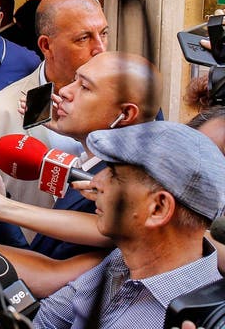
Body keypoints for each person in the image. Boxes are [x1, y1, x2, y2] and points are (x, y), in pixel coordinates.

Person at [0, 51, 162, 260]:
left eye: (85, 87)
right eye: (74, 80)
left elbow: (50, 274)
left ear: (125, 114)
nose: (64, 92)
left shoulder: (118, 191)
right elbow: (40, 257)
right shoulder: (90, 167)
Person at [33, 121, 225, 328]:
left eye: (113, 174)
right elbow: (48, 318)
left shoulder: (188, 320)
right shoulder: (125, 260)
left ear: (158, 208)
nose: (96, 182)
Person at [0, 0, 108, 222]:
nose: (100, 48)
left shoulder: (129, 104)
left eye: (104, 33)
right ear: (46, 46)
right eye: (83, 38)